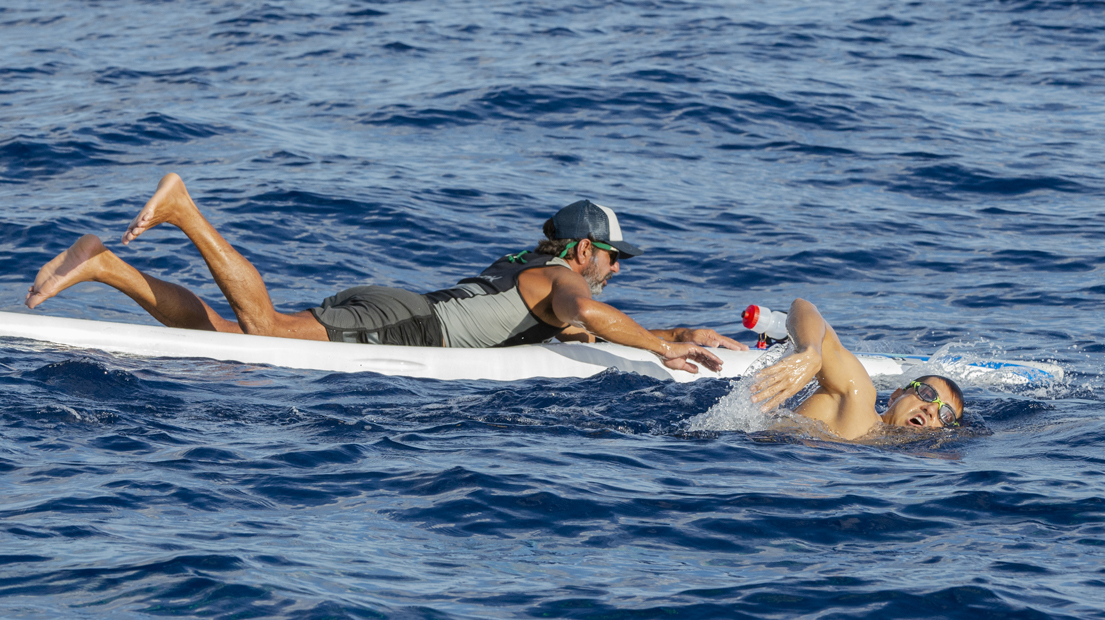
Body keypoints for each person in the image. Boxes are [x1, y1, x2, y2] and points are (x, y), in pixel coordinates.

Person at [26, 174, 743, 374]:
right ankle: (184, 210)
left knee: (223, 338)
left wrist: (680, 329)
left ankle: (109, 267)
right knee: (262, 327)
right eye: (614, 256)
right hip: (405, 324)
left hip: (399, 308)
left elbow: (574, 328)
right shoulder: (571, 284)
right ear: (584, 252)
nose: (617, 269)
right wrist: (661, 347)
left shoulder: (534, 264)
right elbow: (585, 317)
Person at [749, 298, 964, 440]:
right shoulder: (856, 399)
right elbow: (803, 307)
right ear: (895, 395)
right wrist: (811, 351)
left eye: (945, 415)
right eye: (927, 394)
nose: (930, 409)